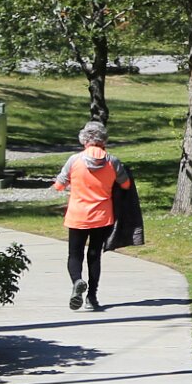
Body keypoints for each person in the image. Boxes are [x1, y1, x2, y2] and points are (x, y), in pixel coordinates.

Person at [50, 123, 128, 313]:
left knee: (75, 254)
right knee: (94, 255)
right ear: (104, 140)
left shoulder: (74, 160)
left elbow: (59, 186)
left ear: (84, 140)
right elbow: (125, 184)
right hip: (102, 216)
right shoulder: (112, 161)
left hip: (77, 215)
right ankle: (92, 297)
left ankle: (77, 281)